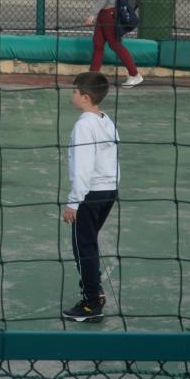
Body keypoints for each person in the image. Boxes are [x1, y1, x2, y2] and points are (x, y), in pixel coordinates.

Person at [61, 71, 120, 323]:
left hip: (90, 193)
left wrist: (73, 202)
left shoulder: (84, 125)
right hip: (108, 190)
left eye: (74, 91)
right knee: (89, 242)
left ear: (85, 97)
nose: (72, 95)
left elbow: (83, 167)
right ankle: (96, 291)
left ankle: (91, 304)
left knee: (82, 246)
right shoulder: (105, 119)